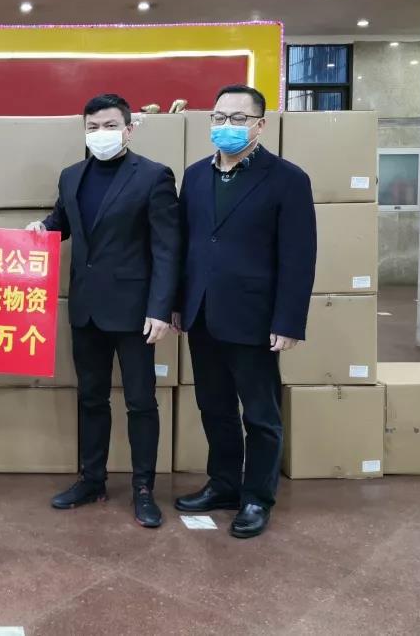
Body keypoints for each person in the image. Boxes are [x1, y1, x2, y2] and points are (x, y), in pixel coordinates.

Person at [29, 94, 181, 528]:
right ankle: (91, 479)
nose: (101, 134)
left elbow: (167, 248)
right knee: (91, 397)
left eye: (110, 126)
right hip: (86, 309)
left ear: (129, 130)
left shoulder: (153, 176)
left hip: (135, 312)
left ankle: (143, 489)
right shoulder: (71, 176)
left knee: (140, 401)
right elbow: (63, 222)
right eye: (93, 127)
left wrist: (161, 308)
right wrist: (42, 230)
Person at [173, 84, 316, 539]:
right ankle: (224, 484)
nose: (227, 126)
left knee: (259, 413)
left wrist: (288, 320)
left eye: (238, 119)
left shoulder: (287, 178)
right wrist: (177, 303)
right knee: (214, 406)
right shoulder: (195, 176)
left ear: (260, 124)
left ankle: (257, 497)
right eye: (219, 118)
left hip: (255, 317)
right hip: (202, 312)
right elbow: (185, 245)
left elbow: (298, 256)